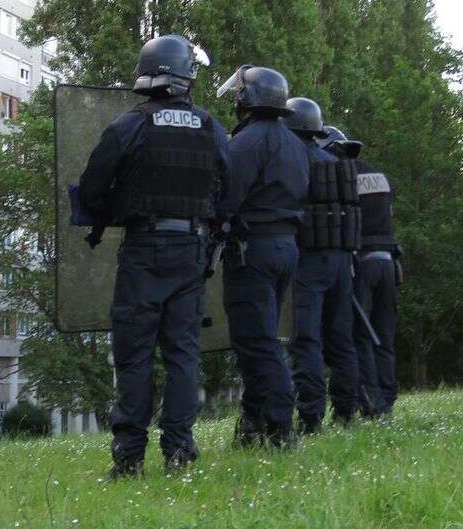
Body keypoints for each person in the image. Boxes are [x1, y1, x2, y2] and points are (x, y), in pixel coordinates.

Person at [76, 35, 229, 478]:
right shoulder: (210, 127)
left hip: (144, 250)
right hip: (192, 250)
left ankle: (129, 459)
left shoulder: (129, 125)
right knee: (183, 352)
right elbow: (231, 187)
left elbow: (90, 189)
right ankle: (180, 452)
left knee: (135, 353)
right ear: (185, 75)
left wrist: (115, 209)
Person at [216, 65, 309, 448]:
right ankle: (253, 424)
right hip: (286, 246)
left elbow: (227, 197)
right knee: (262, 336)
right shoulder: (294, 143)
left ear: (245, 99)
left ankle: (278, 426)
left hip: (252, 248)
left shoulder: (246, 142)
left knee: (256, 341)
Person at [283, 100, 360, 433]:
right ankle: (345, 410)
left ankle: (311, 416)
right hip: (342, 260)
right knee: (341, 339)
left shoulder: (293, 161)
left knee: (307, 340)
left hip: (308, 260)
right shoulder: (332, 161)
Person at [322, 126, 400, 417]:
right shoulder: (377, 175)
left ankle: (370, 401)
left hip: (361, 262)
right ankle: (387, 400)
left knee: (360, 335)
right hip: (389, 261)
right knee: (384, 334)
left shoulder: (339, 178)